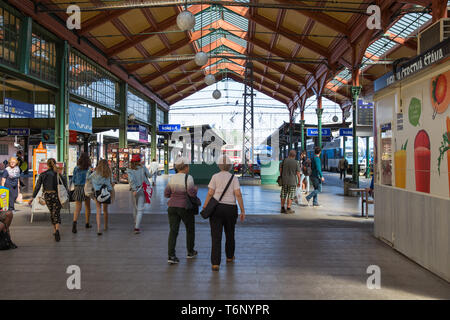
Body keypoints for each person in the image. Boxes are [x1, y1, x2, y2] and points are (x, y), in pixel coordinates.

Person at [202, 155, 245, 271]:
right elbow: (238, 194)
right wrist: (242, 210)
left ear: (219, 165)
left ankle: (215, 263)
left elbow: (210, 193)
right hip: (230, 209)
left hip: (216, 209)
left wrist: (205, 205)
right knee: (230, 233)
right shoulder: (234, 178)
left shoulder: (215, 177)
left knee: (216, 236)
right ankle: (230, 256)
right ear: (230, 166)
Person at [164, 157, 198, 265]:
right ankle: (190, 252)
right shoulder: (188, 178)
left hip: (172, 207)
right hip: (185, 207)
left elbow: (166, 194)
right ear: (186, 167)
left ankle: (171, 255)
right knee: (190, 229)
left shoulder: (172, 178)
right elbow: (191, 193)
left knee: (173, 231)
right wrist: (195, 189)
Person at [30, 158, 67, 241]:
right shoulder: (58, 174)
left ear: (47, 165)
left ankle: (54, 230)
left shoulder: (43, 174)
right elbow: (64, 184)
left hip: (47, 195)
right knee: (56, 212)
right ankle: (57, 230)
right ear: (55, 164)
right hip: (57, 195)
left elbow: (37, 187)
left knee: (52, 213)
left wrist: (33, 197)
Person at [87, 159, 114, 236]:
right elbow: (109, 184)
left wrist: (89, 171)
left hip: (97, 193)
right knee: (105, 210)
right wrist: (111, 192)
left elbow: (88, 178)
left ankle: (99, 228)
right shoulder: (108, 173)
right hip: (106, 193)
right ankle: (105, 226)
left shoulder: (95, 173)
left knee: (98, 210)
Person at [127, 154, 151, 234]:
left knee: (134, 207)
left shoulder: (129, 169)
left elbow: (131, 180)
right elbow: (149, 175)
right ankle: (137, 227)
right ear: (139, 161)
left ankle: (135, 222)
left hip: (134, 190)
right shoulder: (143, 167)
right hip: (142, 189)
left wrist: (134, 189)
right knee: (140, 209)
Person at [71, 152, 92, 233]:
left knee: (78, 207)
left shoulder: (76, 168)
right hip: (86, 188)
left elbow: (73, 179)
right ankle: (87, 223)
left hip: (78, 187)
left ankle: (74, 223)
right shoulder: (89, 169)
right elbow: (90, 179)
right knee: (87, 206)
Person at [279, 150, 301, 214]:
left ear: (289, 154)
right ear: (295, 156)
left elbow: (280, 169)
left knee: (283, 194)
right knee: (291, 195)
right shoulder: (296, 162)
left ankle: (282, 208)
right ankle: (288, 208)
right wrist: (299, 181)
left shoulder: (284, 161)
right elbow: (298, 173)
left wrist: (281, 176)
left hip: (284, 181)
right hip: (292, 181)